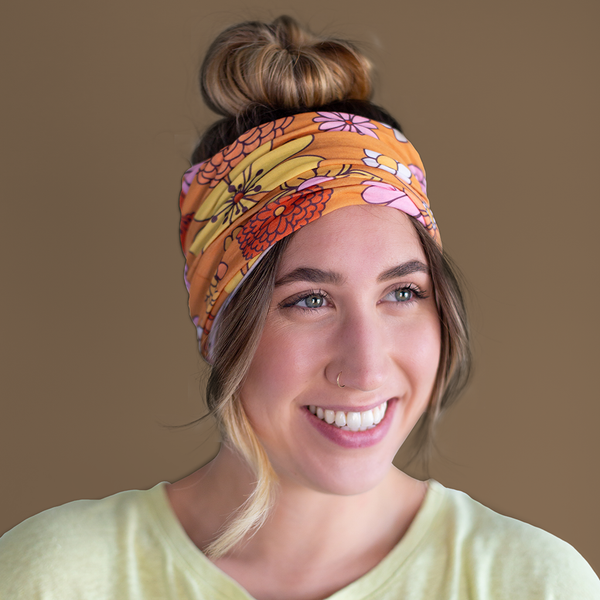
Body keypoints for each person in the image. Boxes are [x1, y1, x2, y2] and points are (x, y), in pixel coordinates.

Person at [1, 15, 599, 600]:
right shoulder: (55, 577)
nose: (365, 369)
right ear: (221, 325)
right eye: (310, 300)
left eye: (402, 293)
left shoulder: (534, 583)